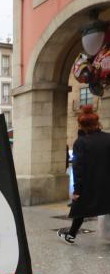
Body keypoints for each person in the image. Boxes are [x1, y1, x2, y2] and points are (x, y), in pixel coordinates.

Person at [58, 104, 110, 245]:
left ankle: (71, 235)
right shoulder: (108, 138)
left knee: (80, 208)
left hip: (90, 184)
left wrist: (77, 190)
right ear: (98, 123)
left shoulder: (80, 142)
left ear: (81, 125)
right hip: (107, 183)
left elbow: (78, 168)